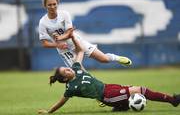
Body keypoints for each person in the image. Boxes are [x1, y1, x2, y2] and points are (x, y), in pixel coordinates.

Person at [37, 32, 180, 114]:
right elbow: (61, 102)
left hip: (108, 87)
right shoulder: (71, 88)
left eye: (65, 68)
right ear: (64, 79)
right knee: (140, 90)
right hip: (107, 96)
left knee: (130, 92)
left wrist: (73, 37)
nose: (67, 68)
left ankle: (120, 107)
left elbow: (80, 51)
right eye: (65, 71)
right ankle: (173, 100)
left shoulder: (76, 68)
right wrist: (49, 112)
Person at [38, 0, 132, 68]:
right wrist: (57, 45)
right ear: (45, 6)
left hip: (76, 41)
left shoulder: (64, 14)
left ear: (57, 4)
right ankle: (91, 87)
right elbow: (45, 43)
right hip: (64, 50)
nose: (52, 7)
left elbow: (69, 32)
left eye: (54, 4)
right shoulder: (43, 22)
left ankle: (117, 58)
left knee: (104, 59)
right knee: (78, 71)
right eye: (49, 5)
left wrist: (60, 38)